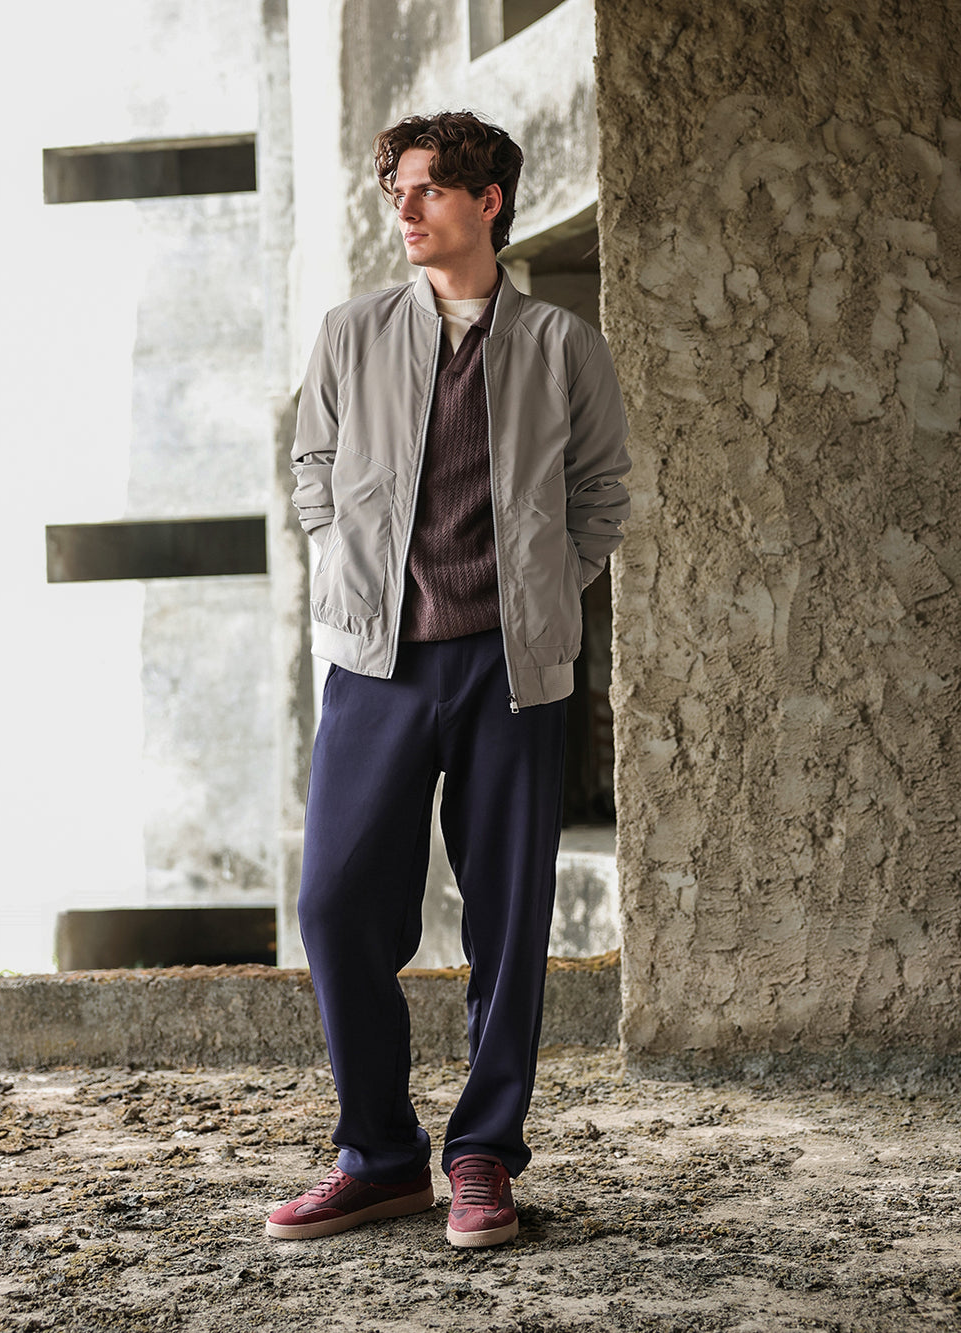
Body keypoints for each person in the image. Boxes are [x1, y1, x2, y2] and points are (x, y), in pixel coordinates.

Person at [265, 110, 630, 1249]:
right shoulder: (353, 333)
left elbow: (601, 493)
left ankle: (482, 1157)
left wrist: (546, 588)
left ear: (488, 201)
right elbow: (313, 462)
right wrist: (345, 557)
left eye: (427, 189)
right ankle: (379, 1158)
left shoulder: (561, 346)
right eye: (398, 192)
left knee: (508, 924)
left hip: (511, 669)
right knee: (335, 902)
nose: (407, 209)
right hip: (377, 662)